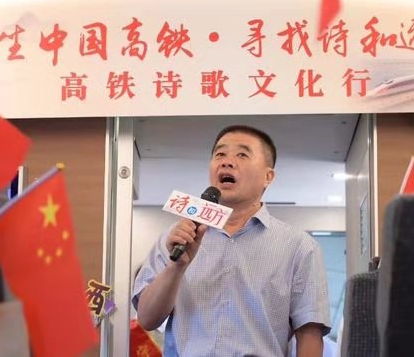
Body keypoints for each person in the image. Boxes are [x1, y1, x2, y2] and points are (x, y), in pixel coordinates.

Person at [132, 125, 331, 356]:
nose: (227, 162)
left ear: (268, 176)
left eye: (242, 154)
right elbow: (147, 319)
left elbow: (309, 335)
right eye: (220, 154)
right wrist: (176, 267)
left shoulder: (299, 246)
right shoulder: (176, 237)